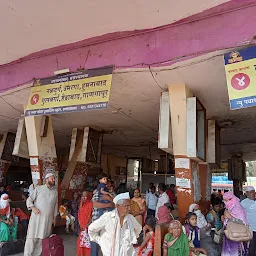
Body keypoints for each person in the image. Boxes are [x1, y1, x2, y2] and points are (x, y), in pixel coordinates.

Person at [24, 172, 58, 256]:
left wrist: (54, 218)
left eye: (54, 178)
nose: (54, 180)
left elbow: (55, 205)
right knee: (31, 239)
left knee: (42, 240)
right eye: (52, 178)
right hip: (37, 219)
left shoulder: (55, 192)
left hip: (47, 220)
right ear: (46, 179)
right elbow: (29, 199)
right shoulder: (39, 189)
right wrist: (33, 208)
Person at [222, 191, 248, 256]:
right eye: (225, 200)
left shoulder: (237, 208)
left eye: (229, 199)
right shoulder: (229, 208)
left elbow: (243, 223)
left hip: (237, 237)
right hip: (229, 236)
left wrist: (230, 217)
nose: (226, 202)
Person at [90, 187, 115, 255]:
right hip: (96, 220)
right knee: (95, 242)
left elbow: (114, 204)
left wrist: (108, 197)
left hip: (109, 223)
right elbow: (96, 204)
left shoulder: (112, 194)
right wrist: (108, 204)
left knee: (108, 243)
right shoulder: (97, 194)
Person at [76, 191, 93, 256]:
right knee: (81, 242)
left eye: (85, 196)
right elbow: (79, 214)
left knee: (87, 243)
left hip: (88, 226)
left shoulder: (91, 204)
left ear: (88, 196)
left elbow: (91, 216)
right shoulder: (81, 204)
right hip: (82, 226)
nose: (84, 197)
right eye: (83, 196)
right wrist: (80, 223)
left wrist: (87, 225)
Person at [241, 186, 256, 256]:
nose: (250, 194)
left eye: (252, 192)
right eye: (248, 193)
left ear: (254, 192)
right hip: (250, 229)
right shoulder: (243, 203)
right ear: (246, 193)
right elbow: (238, 213)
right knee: (251, 249)